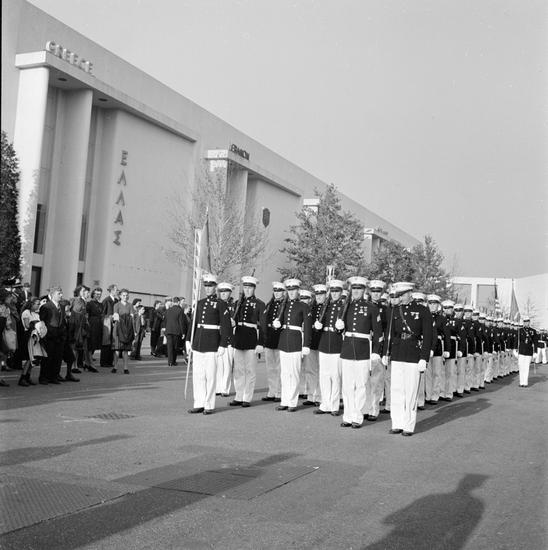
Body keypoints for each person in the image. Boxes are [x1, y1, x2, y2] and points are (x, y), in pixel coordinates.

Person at [385, 281, 432, 436]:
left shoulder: (422, 310)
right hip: (398, 352)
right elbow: (390, 333)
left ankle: (408, 425)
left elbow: (428, 336)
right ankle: (397, 423)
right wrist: (386, 353)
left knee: (411, 391)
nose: (400, 297)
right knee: (396, 390)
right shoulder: (395, 310)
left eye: (402, 294)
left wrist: (424, 358)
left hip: (413, 354)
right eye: (398, 295)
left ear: (410, 293)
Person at [339, 276, 382, 429]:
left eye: (359, 289)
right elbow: (341, 330)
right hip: (347, 349)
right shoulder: (346, 307)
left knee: (361, 385)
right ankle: (348, 416)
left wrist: (376, 351)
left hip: (363, 350)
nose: (356, 291)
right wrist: (339, 327)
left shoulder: (371, 308)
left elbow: (378, 333)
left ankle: (357, 416)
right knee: (347, 385)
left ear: (364, 290)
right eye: (354, 289)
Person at [186, 273, 231, 414]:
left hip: (212, 343)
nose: (207, 288)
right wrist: (188, 340)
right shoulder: (199, 303)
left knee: (210, 376)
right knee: (198, 375)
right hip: (198, 343)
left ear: (215, 287)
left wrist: (223, 344)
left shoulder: (221, 304)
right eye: (206, 286)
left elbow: (226, 326)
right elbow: (193, 324)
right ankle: (199, 402)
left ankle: (209, 404)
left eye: (210, 286)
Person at [273, 278, 312, 412]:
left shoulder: (303, 306)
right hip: (284, 341)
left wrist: (306, 344)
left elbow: (307, 327)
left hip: (296, 341)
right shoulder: (283, 305)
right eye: (289, 290)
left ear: (298, 291)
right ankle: (284, 400)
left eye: (293, 290)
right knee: (284, 373)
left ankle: (292, 402)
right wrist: (276, 325)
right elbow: (279, 321)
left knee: (294, 373)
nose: (291, 292)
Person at [230, 276, 265, 407]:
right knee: (238, 369)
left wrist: (261, 343)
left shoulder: (259, 304)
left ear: (254, 289)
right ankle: (239, 396)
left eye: (250, 288)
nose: (247, 290)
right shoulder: (238, 303)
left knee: (250, 370)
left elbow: (263, 325)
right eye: (245, 287)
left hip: (251, 338)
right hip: (239, 338)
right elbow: (234, 321)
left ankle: (247, 397)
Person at [314, 279, 345, 416]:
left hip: (337, 343)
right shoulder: (325, 306)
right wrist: (318, 327)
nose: (334, 294)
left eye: (337, 291)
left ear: (341, 292)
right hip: (324, 342)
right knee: (324, 376)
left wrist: (342, 327)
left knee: (335, 376)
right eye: (332, 291)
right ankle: (325, 404)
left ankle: (334, 405)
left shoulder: (344, 306)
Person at [364, 280, 388, 420]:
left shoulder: (385, 310)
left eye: (378, 292)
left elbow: (387, 332)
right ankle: (365, 408)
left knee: (376, 381)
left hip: (378, 347)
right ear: (370, 292)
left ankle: (373, 410)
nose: (376, 294)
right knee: (364, 380)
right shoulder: (364, 307)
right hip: (365, 346)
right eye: (373, 291)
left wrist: (384, 352)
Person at [261, 282, 286, 402]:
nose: (277, 293)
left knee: (279, 368)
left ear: (283, 292)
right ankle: (272, 391)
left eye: (279, 291)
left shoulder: (285, 305)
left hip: (280, 337)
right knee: (270, 368)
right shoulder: (269, 304)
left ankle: (279, 392)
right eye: (275, 291)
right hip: (269, 338)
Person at [39, 285, 66, 384]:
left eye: (61, 293)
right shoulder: (46, 307)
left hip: (59, 336)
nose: (61, 295)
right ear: (52, 294)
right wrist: (45, 335)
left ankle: (54, 376)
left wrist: (63, 334)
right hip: (49, 336)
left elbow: (62, 321)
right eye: (59, 293)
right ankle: (44, 377)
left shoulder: (61, 306)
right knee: (47, 358)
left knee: (57, 358)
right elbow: (42, 321)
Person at [216, 282, 235, 396]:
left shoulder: (234, 306)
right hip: (217, 337)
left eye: (226, 292)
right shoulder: (216, 304)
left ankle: (225, 388)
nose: (223, 294)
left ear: (230, 293)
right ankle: (218, 387)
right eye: (221, 292)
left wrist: (234, 322)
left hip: (229, 338)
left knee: (227, 365)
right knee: (218, 365)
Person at [425, 294, 445, 404]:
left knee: (437, 373)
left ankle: (435, 395)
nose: (432, 306)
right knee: (427, 373)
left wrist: (447, 350)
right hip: (426, 346)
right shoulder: (425, 316)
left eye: (435, 304)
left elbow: (446, 334)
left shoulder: (441, 319)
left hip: (437, 348)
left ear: (438, 305)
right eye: (431, 304)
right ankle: (428, 394)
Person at [19, 297, 42, 386]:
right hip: (28, 336)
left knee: (34, 358)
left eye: (39, 304)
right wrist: (36, 325)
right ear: (32, 304)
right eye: (37, 304)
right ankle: (22, 378)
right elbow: (27, 325)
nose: (38, 305)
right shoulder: (26, 312)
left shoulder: (36, 314)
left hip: (36, 336)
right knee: (29, 358)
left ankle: (28, 377)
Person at [111, 289, 134, 374]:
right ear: (120, 296)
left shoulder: (130, 305)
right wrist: (123, 317)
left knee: (125, 350)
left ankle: (125, 368)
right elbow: (115, 316)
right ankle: (115, 366)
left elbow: (132, 317)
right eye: (124, 295)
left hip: (127, 329)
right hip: (118, 329)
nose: (125, 297)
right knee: (117, 349)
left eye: (127, 295)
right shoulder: (116, 305)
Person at [164, 296, 188, 366]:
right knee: (175, 347)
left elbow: (165, 321)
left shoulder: (168, 310)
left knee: (169, 347)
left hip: (168, 330)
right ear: (178, 302)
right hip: (176, 331)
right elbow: (181, 322)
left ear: (173, 302)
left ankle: (170, 362)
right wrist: (183, 332)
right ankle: (173, 361)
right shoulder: (180, 310)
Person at [516, 316, 538, 387]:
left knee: (526, 367)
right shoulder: (520, 330)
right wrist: (515, 349)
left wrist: (535, 352)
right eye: (525, 322)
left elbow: (535, 342)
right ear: (523, 322)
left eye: (527, 322)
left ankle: (525, 382)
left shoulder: (533, 331)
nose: (526, 323)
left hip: (529, 351)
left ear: (529, 322)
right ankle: (521, 382)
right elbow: (517, 341)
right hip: (521, 351)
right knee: (521, 366)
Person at [100, 284, 118, 368]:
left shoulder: (117, 300)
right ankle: (104, 361)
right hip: (107, 324)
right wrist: (110, 317)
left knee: (113, 342)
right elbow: (102, 314)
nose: (117, 291)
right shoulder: (106, 300)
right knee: (106, 343)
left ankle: (110, 361)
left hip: (114, 324)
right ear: (111, 291)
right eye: (116, 290)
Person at [86, 287, 103, 365]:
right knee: (91, 343)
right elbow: (87, 315)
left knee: (95, 343)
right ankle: (88, 360)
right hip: (92, 324)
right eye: (97, 294)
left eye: (100, 294)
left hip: (98, 324)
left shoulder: (100, 304)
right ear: (93, 294)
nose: (98, 296)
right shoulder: (89, 303)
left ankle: (89, 359)